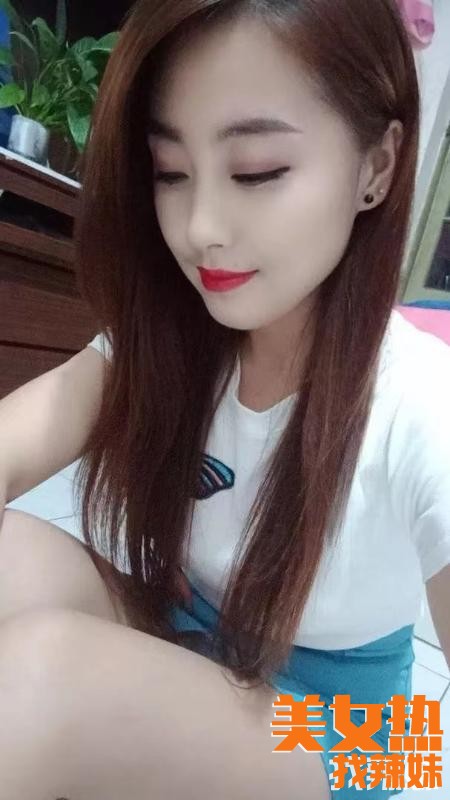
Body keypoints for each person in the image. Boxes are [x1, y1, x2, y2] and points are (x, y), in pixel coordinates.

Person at [0, 1, 449, 798]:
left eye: (257, 171)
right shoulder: (170, 343)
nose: (200, 225)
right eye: (171, 172)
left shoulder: (420, 401)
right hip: (189, 638)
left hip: (349, 733)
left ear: (377, 166)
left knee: (43, 685)